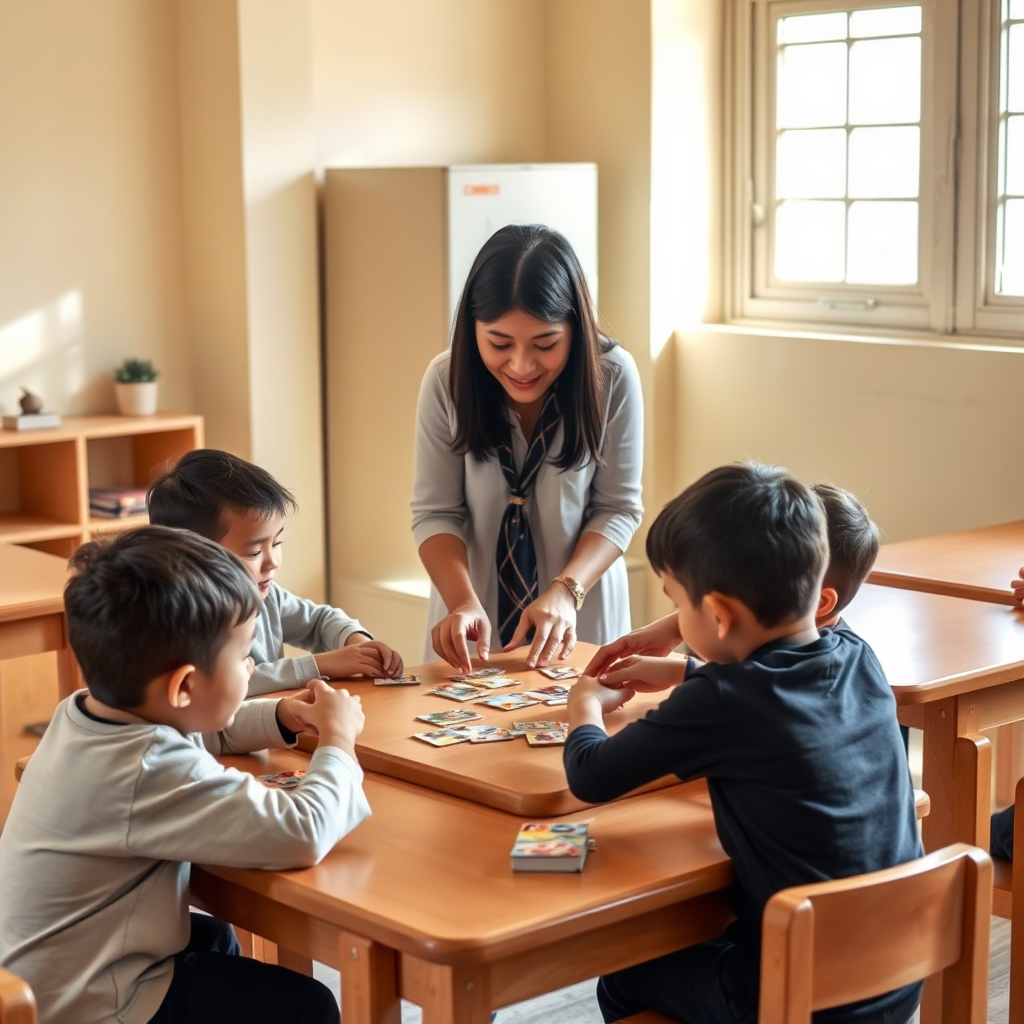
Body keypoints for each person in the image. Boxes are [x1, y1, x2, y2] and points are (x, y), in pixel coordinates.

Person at [564, 463, 922, 1024]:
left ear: (718, 614)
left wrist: (584, 704)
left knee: (624, 972)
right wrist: (684, 667)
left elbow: (590, 775)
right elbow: (779, 693)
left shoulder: (721, 699)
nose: (675, 619)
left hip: (799, 998)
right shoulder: (858, 653)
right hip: (895, 976)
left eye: (676, 601)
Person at [0, 526, 370, 1024]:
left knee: (213, 939)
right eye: (243, 657)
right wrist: (338, 740)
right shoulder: (147, 766)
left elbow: (202, 729)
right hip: (94, 1007)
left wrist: (280, 714)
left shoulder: (86, 711)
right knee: (309, 1005)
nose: (252, 667)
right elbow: (301, 831)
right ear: (185, 687)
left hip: (48, 975)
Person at [411, 224, 643, 673]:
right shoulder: (445, 380)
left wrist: (566, 591)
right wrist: (461, 602)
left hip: (582, 609)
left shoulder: (613, 375)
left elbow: (617, 508)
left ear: (575, 328)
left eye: (545, 344)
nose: (521, 365)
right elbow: (435, 512)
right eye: (499, 343)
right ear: (473, 329)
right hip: (471, 617)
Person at [149, 449, 403, 695]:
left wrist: (356, 642)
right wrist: (319, 665)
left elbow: (319, 621)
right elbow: (224, 687)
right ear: (193, 557)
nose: (273, 561)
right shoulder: (183, 622)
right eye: (254, 552)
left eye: (276, 542)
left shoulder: (268, 596)